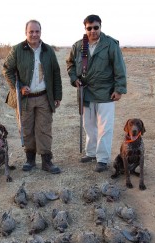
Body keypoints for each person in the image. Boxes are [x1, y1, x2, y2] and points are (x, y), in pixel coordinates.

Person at [66, 14, 127, 172]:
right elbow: (70, 64)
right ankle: (91, 153)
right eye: (89, 28)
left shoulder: (110, 44)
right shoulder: (78, 46)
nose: (92, 31)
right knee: (89, 125)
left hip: (105, 92)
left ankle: (102, 159)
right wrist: (74, 79)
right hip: (85, 92)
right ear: (85, 28)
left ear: (100, 26)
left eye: (96, 27)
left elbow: (119, 67)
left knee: (105, 127)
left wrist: (119, 89)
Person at [3, 20, 62, 174]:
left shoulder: (48, 50)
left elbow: (56, 73)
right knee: (27, 129)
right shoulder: (17, 50)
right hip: (25, 99)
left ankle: (46, 161)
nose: (34, 34)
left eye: (37, 31)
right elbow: (7, 70)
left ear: (40, 32)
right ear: (26, 33)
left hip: (44, 97)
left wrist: (57, 95)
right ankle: (30, 160)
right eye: (31, 32)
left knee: (44, 129)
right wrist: (20, 87)